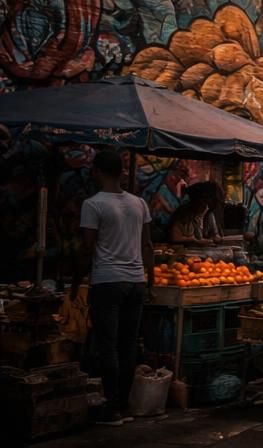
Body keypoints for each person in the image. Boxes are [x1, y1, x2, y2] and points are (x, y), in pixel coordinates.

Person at [79, 152, 151, 426]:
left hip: (107, 280)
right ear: (121, 171)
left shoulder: (92, 204)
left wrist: (77, 281)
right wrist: (150, 278)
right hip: (136, 281)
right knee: (128, 344)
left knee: (108, 344)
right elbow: (147, 246)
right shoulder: (139, 203)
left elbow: (88, 248)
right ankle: (124, 405)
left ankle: (112, 408)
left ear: (97, 171)